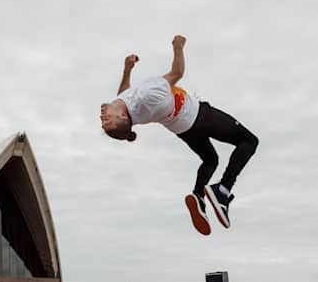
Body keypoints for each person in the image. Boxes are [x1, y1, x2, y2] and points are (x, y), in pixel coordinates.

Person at [100, 35, 258, 235]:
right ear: (122, 115)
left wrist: (127, 70)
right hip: (199, 116)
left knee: (211, 159)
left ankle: (199, 197)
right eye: (107, 120)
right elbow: (177, 72)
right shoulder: (147, 95)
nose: (102, 116)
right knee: (249, 141)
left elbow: (123, 94)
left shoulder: (129, 110)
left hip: (183, 129)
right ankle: (223, 190)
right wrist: (178, 46)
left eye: (103, 120)